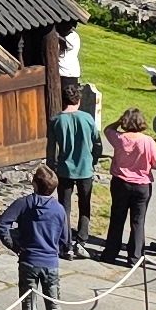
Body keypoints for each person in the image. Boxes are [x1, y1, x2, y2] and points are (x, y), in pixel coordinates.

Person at [0, 171, 69, 310]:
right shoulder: (59, 209)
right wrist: (55, 250)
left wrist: (14, 245)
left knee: (29, 302)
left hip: (28, 261)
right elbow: (65, 239)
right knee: (54, 303)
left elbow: (2, 224)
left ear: (35, 185)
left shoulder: (25, 203)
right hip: (50, 263)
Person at [105, 106, 156, 265]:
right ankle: (134, 257)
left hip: (120, 183)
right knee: (138, 221)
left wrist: (118, 121)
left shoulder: (119, 138)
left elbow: (107, 129)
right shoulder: (148, 141)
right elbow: (155, 163)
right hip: (142, 185)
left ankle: (110, 253)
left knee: (117, 219)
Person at [51, 83, 105, 223]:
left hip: (64, 169)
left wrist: (52, 167)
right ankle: (82, 235)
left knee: (64, 205)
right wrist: (93, 160)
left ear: (62, 100)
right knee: (85, 203)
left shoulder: (56, 121)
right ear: (78, 100)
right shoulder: (88, 118)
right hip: (85, 167)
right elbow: (98, 144)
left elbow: (52, 149)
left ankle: (64, 236)